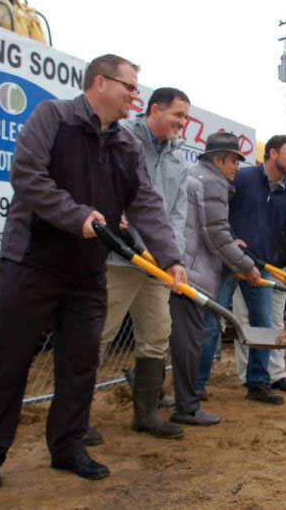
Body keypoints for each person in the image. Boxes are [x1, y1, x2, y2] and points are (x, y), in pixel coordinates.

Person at [0, 54, 186, 493]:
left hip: (87, 272)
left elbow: (145, 202)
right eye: (129, 86)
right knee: (9, 363)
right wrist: (76, 215)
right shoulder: (54, 117)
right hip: (33, 261)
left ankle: (67, 448)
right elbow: (27, 176)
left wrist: (170, 257)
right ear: (100, 83)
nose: (134, 96)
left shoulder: (125, 146)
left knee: (80, 363)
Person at [95, 87, 190, 442]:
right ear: (154, 110)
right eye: (177, 115)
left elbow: (178, 213)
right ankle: (74, 418)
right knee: (98, 334)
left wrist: (173, 257)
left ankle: (146, 414)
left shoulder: (179, 160)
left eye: (185, 117)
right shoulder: (122, 140)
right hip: (118, 257)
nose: (182, 123)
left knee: (156, 335)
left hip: (156, 265)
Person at [197, 135, 286, 405]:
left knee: (264, 325)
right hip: (226, 264)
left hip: (259, 267)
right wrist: (232, 239)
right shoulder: (243, 178)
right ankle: (196, 383)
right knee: (212, 324)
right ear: (272, 154)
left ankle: (258, 383)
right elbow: (217, 211)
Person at [169, 132, 261, 426]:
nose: (236, 167)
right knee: (189, 339)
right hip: (193, 273)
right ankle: (186, 406)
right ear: (218, 159)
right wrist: (246, 266)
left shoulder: (197, 176)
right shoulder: (211, 182)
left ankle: (164, 396)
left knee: (167, 335)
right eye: (234, 161)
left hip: (184, 267)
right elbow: (216, 234)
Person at [233, 152, 286, 391]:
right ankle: (246, 375)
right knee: (246, 320)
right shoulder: (267, 188)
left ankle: (276, 374)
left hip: (281, 268)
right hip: (251, 263)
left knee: (275, 322)